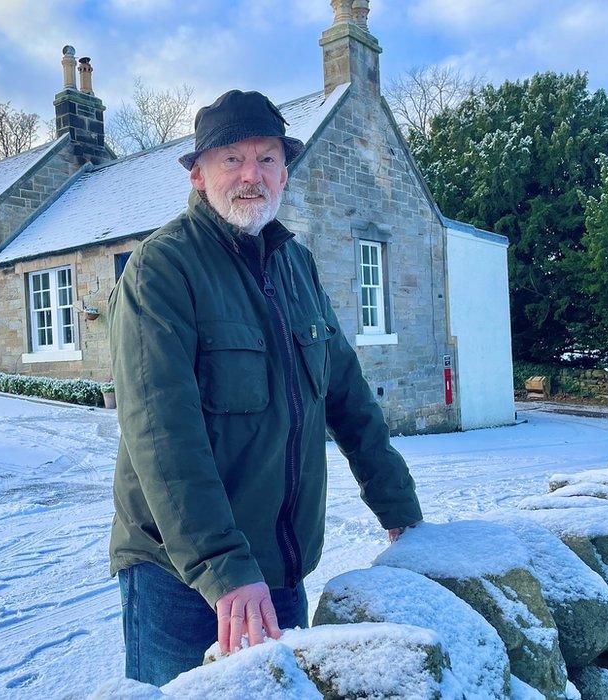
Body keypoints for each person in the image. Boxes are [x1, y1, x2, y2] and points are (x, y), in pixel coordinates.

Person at [107, 88, 423, 687]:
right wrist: (223, 566)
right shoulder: (162, 270)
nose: (252, 176)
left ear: (284, 170)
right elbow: (161, 433)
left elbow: (349, 398)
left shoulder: (296, 267)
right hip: (185, 578)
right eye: (232, 159)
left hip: (279, 573)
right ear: (199, 175)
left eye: (268, 158)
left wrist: (399, 508)